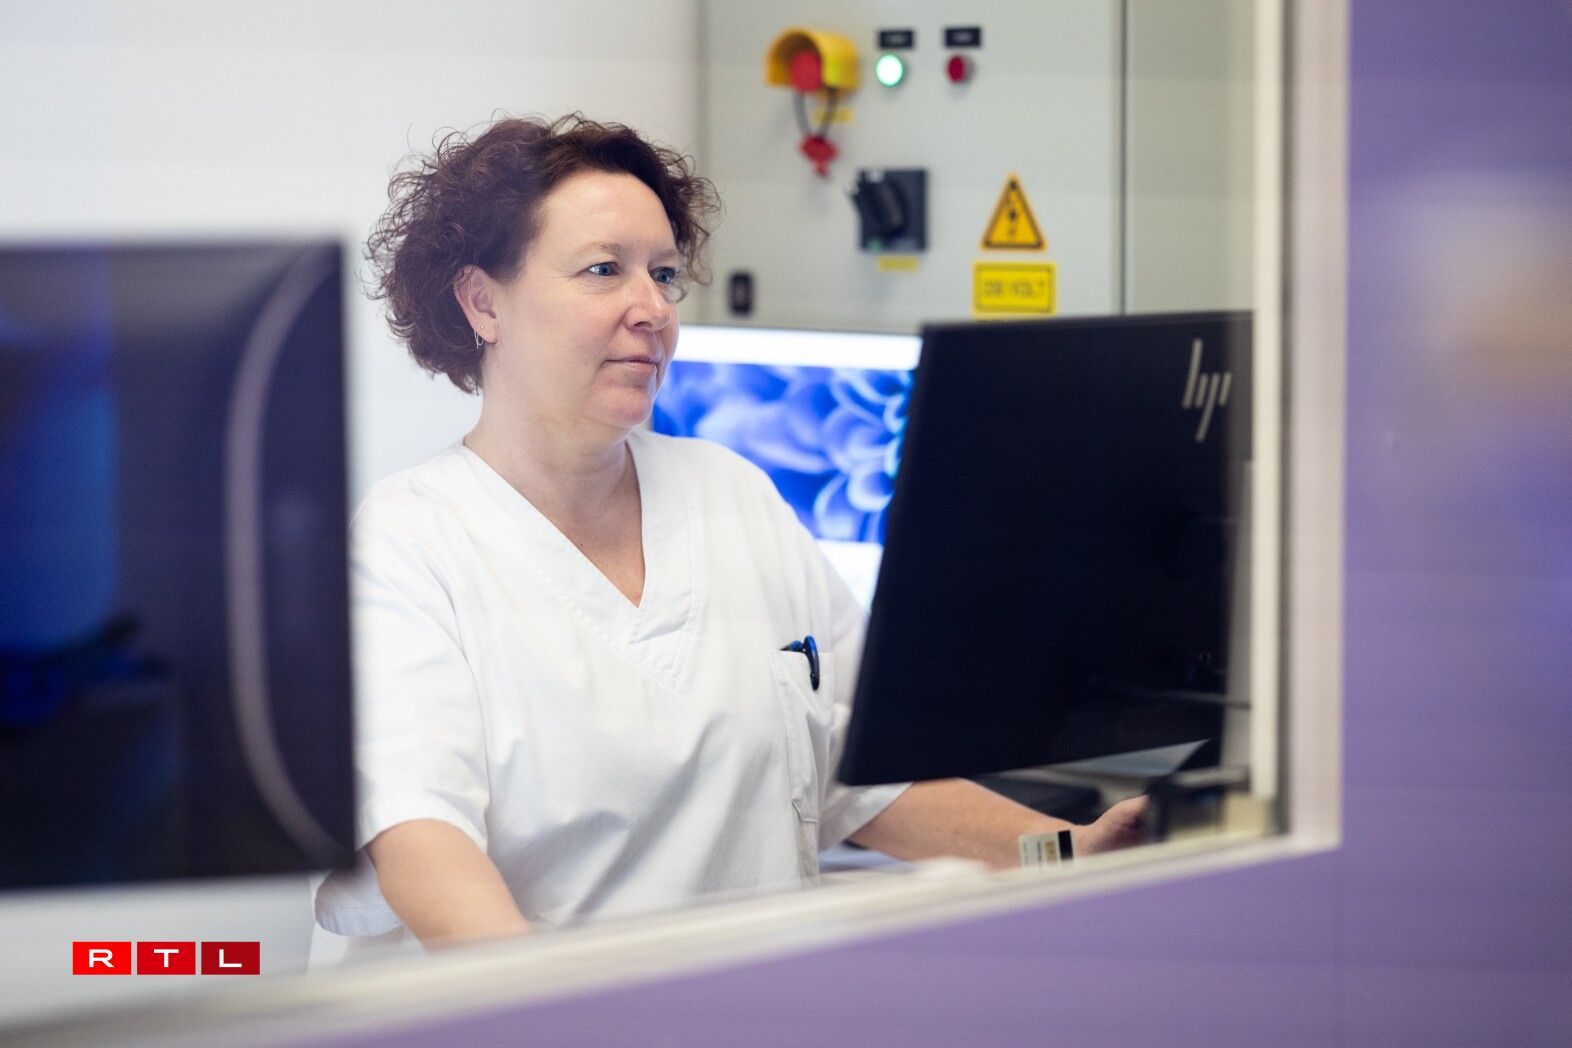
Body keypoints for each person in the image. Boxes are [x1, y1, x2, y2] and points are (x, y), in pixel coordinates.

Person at [313, 114, 1146, 952]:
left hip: (750, 999)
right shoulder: (409, 544)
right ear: (482, 301)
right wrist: (557, 1010)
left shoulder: (731, 494)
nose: (653, 309)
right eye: (603, 270)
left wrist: (1067, 853)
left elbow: (855, 769)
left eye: (664, 274)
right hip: (542, 1010)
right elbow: (422, 841)